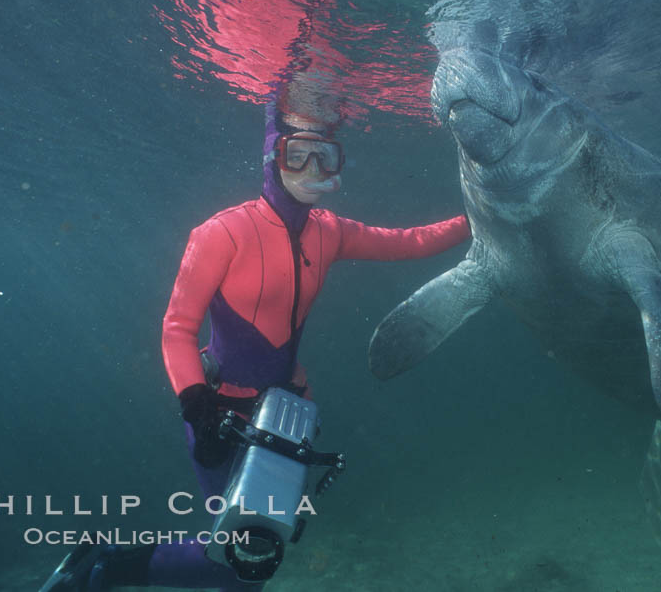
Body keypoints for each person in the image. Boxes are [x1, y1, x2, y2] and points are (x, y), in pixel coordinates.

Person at [40, 81, 470, 591]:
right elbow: (177, 328)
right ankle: (106, 568)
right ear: (273, 156)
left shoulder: (328, 231)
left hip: (284, 419)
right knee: (243, 562)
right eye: (298, 155)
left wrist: (481, 219)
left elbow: (409, 243)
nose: (313, 171)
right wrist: (196, 409)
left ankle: (105, 564)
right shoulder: (221, 234)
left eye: (325, 157)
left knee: (250, 558)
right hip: (220, 420)